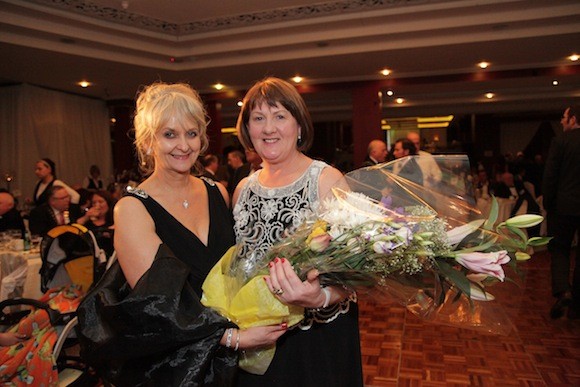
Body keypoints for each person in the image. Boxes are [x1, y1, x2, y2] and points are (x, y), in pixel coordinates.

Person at [77, 82, 286, 385]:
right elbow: (158, 304)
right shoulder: (132, 209)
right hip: (176, 366)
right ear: (148, 142)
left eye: (191, 133)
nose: (184, 145)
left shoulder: (219, 192)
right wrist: (231, 337)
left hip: (230, 361)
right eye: (169, 134)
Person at [232, 77, 363, 386]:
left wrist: (320, 297)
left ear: (299, 125)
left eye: (280, 116)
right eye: (258, 118)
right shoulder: (241, 190)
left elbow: (361, 273)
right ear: (247, 130)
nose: (269, 128)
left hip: (318, 339)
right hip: (259, 339)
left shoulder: (326, 180)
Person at [542, 105, 580, 320]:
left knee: (560, 249)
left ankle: (563, 290)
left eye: (564, 118)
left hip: (563, 207)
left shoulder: (561, 142)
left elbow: (550, 176)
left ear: (573, 119)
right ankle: (578, 303)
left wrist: (548, 203)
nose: (562, 121)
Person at [76, 190, 116, 257]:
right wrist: (86, 217)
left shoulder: (113, 222)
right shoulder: (88, 223)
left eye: (100, 202)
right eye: (94, 203)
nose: (97, 205)